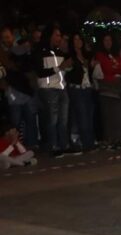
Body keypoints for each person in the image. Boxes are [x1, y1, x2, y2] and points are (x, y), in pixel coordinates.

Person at [32, 25, 74, 158]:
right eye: (57, 35)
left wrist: (67, 67)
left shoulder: (59, 51)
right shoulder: (40, 51)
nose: (59, 38)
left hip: (62, 88)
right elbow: (40, 72)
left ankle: (64, 145)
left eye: (60, 35)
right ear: (49, 35)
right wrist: (59, 67)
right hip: (48, 89)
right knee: (53, 120)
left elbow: (62, 70)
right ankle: (54, 146)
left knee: (63, 120)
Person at [94, 33, 121, 150]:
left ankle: (119, 139)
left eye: (110, 40)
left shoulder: (116, 54)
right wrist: (116, 70)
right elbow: (107, 68)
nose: (108, 42)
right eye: (105, 40)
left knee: (118, 115)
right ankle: (110, 140)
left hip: (117, 89)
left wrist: (115, 69)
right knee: (108, 116)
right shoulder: (99, 55)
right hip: (106, 89)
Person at [66, 33, 95, 152]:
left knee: (89, 115)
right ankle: (87, 143)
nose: (78, 41)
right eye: (75, 39)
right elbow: (67, 72)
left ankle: (90, 142)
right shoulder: (70, 57)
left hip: (87, 88)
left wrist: (91, 66)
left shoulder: (86, 55)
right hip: (77, 89)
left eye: (79, 39)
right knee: (82, 116)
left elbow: (89, 72)